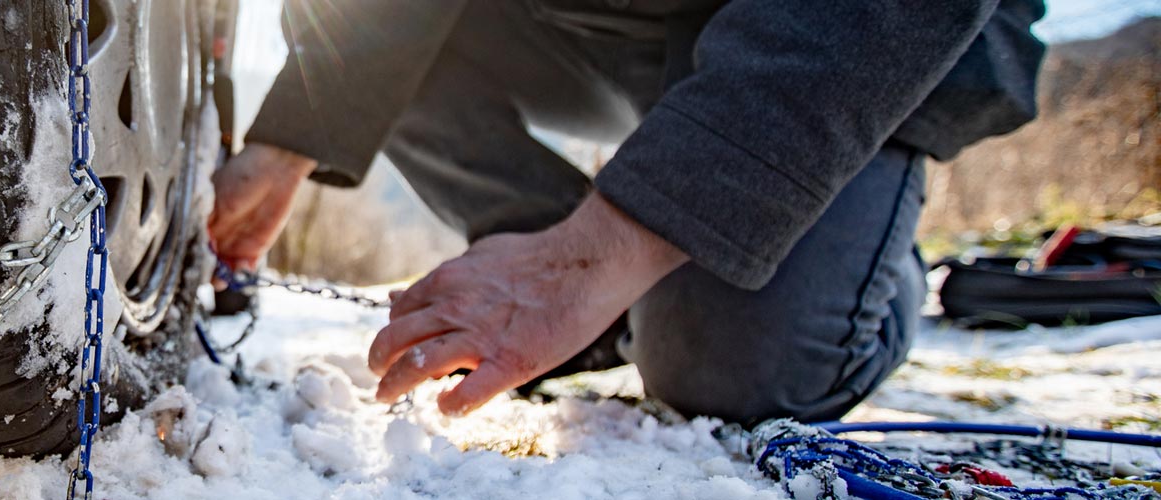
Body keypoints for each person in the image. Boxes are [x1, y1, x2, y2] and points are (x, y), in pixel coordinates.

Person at [208, 0, 1046, 423]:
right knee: (378, 44)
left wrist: (596, 254)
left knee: (734, 373)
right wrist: (296, 132)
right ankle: (584, 296)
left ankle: (864, 265)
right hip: (582, 32)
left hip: (837, 42)